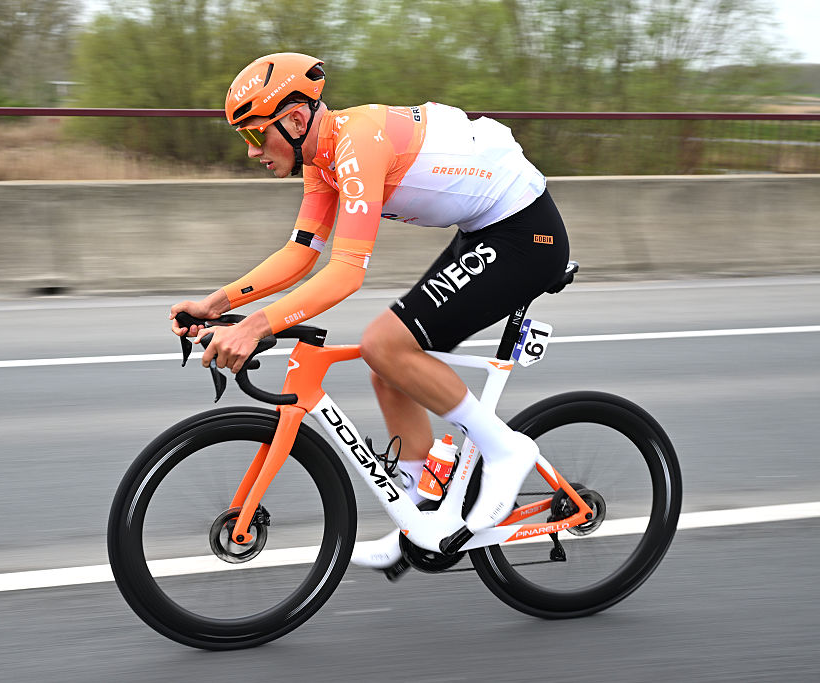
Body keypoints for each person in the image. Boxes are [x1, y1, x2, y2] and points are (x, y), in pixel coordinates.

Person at [170, 52, 570, 573]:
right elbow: (301, 254)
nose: (251, 152)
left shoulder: (356, 143)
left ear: (294, 121)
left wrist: (256, 325)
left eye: (253, 135)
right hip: (485, 229)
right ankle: (422, 519)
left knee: (385, 343)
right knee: (388, 364)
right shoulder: (321, 157)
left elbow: (346, 272)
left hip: (524, 234)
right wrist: (217, 304)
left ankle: (505, 451)